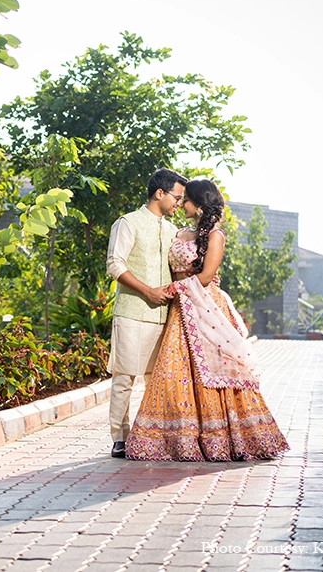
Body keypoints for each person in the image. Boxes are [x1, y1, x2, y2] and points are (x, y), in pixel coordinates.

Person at [124, 178, 289, 461]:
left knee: (216, 371)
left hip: (205, 306)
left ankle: (221, 437)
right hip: (179, 311)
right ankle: (176, 439)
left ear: (199, 205)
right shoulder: (178, 234)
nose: (181, 204)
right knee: (175, 374)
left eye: (186, 200)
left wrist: (174, 289)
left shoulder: (215, 235)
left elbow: (206, 275)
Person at [106, 169, 187, 458]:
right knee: (125, 377)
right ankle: (120, 437)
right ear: (159, 193)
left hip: (164, 316)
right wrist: (147, 291)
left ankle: (152, 436)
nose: (179, 202)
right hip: (131, 312)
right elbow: (115, 265)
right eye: (177, 196)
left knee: (157, 379)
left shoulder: (172, 231)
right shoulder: (128, 223)